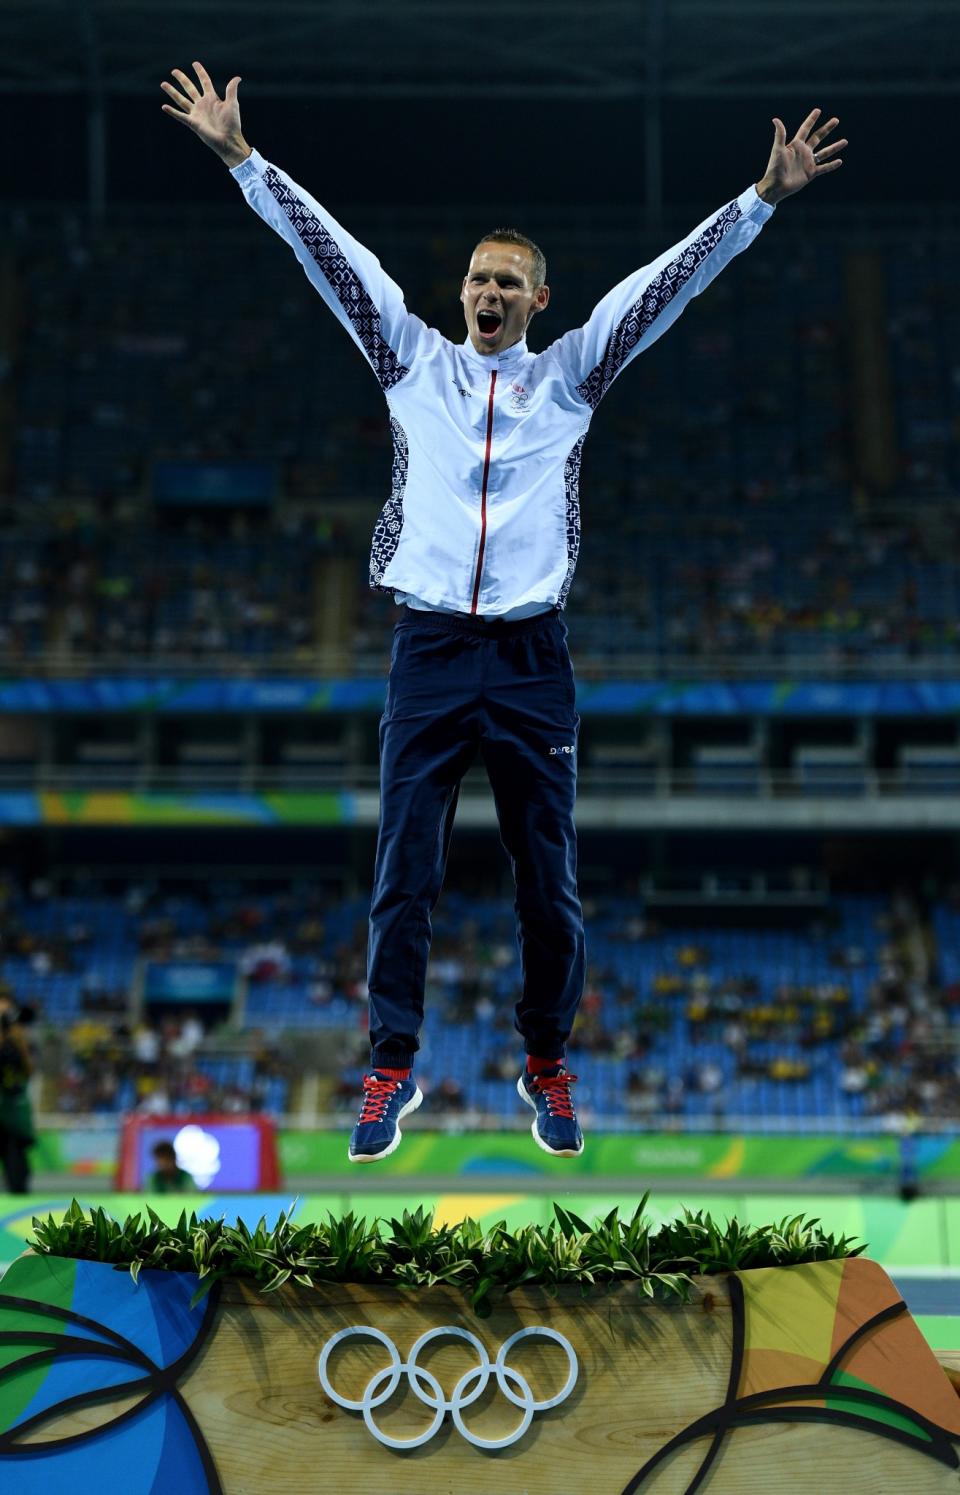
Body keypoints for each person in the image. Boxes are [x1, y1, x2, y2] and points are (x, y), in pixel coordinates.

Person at [161, 62, 846, 1163]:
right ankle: (391, 1067)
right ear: (461, 289)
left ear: (537, 302)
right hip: (429, 650)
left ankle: (547, 1064)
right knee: (404, 873)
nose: (486, 292)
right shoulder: (408, 362)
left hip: (532, 660)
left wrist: (759, 201)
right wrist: (244, 161)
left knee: (550, 881)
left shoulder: (570, 379)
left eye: (508, 282)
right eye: (477, 277)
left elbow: (665, 286)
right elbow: (327, 255)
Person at [0, 992, 35, 1193]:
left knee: (16, 1159)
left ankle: (18, 1190)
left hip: (13, 1106)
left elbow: (28, 1069)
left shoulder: (17, 1039)